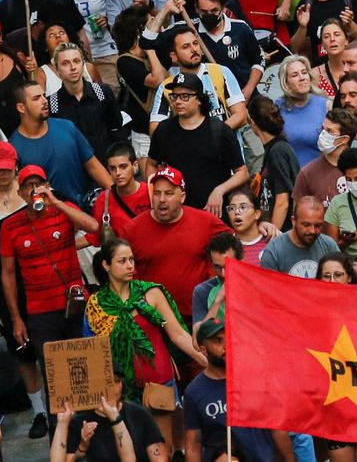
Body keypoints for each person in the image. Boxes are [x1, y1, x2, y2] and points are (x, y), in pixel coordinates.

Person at [1, 165, 99, 433]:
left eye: (39, 184)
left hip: (75, 306)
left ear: (47, 185)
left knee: (85, 374)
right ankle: (61, 442)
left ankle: (92, 437)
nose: (34, 190)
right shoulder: (11, 226)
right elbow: (8, 274)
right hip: (41, 313)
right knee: (56, 379)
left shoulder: (62, 209)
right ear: (20, 192)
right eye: (28, 186)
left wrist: (55, 201)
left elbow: (94, 229)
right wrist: (16, 319)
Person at [84, 236, 203, 423]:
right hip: (122, 390)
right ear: (106, 265)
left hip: (160, 381)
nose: (130, 266)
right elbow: (93, 352)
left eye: (131, 260)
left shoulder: (151, 293)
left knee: (166, 447)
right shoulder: (96, 305)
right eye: (122, 261)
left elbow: (178, 334)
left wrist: (209, 364)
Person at [115, 168, 232, 320]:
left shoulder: (205, 222)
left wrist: (261, 226)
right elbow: (117, 272)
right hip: (153, 318)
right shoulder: (132, 230)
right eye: (157, 193)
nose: (161, 199)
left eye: (168, 193)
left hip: (196, 316)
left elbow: (237, 243)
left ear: (182, 197)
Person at [145, 72, 248, 218]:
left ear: (199, 99)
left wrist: (220, 190)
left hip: (213, 213)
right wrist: (158, 192)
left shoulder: (219, 130)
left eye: (185, 96)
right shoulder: (164, 130)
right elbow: (151, 164)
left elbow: (242, 172)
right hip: (178, 214)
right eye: (174, 96)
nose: (178, 101)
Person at [184, 319, 278, 462]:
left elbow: (277, 428)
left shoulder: (256, 377)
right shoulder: (194, 392)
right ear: (203, 350)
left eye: (228, 338)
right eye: (218, 341)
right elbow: (193, 446)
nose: (226, 346)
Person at [9, 80, 107, 204]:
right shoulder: (14, 148)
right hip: (48, 216)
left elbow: (92, 164)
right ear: (21, 107)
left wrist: (115, 193)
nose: (45, 101)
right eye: (36, 98)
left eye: (44, 95)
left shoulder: (67, 127)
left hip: (83, 209)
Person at [259, 195, 337, 278]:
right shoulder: (274, 251)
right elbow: (267, 287)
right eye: (306, 225)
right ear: (293, 221)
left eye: (318, 225)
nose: (312, 231)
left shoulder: (329, 246)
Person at [89, 142, 151, 241]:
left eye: (123, 167)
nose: (118, 173)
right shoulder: (103, 200)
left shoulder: (151, 193)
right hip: (123, 254)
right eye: (113, 168)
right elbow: (95, 237)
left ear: (134, 166)